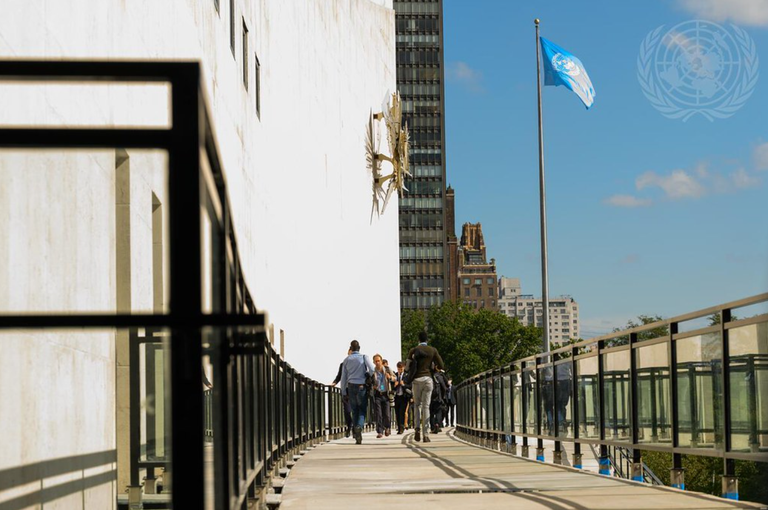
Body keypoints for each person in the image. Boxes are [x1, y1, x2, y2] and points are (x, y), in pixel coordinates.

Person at [406, 331, 444, 443]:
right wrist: (434, 367)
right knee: (426, 406)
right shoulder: (432, 350)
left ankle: (417, 428)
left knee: (417, 405)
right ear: (427, 340)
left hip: (416, 380)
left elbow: (407, 367)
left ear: (418, 339)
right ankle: (426, 434)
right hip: (428, 380)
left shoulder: (413, 350)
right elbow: (441, 365)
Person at [340, 340, 375, 444]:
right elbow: (372, 369)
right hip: (361, 386)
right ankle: (359, 427)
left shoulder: (346, 360)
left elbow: (343, 378)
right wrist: (368, 375)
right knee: (362, 409)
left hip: (350, 387)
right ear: (359, 348)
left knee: (354, 410)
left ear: (351, 348)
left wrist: (343, 392)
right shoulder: (364, 357)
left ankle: (356, 433)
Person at [330, 349, 354, 438]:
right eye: (350, 352)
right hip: (346, 390)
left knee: (355, 410)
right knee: (347, 411)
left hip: (355, 390)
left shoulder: (358, 364)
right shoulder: (343, 364)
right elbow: (339, 376)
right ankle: (349, 426)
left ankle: (356, 428)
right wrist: (334, 382)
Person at [372, 354, 392, 438]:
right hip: (377, 394)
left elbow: (394, 378)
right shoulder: (373, 372)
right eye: (375, 361)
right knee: (378, 414)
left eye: (378, 361)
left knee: (387, 414)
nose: (377, 363)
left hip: (386, 394)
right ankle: (380, 431)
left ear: (381, 361)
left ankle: (387, 428)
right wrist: (372, 386)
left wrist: (389, 377)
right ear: (373, 362)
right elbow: (369, 381)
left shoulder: (387, 369)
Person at [430, 369, 449, 434]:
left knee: (431, 413)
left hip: (430, 397)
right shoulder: (439, 376)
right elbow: (444, 387)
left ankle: (432, 427)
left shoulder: (429, 376)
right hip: (438, 397)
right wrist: (443, 396)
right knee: (439, 411)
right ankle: (437, 424)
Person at [393, 361, 409, 434]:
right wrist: (394, 385)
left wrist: (404, 385)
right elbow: (391, 386)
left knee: (402, 412)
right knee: (397, 412)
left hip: (404, 397)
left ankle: (401, 427)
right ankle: (399, 427)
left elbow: (410, 386)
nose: (400, 370)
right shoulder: (395, 375)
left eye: (401, 368)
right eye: (399, 369)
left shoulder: (407, 375)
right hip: (397, 396)